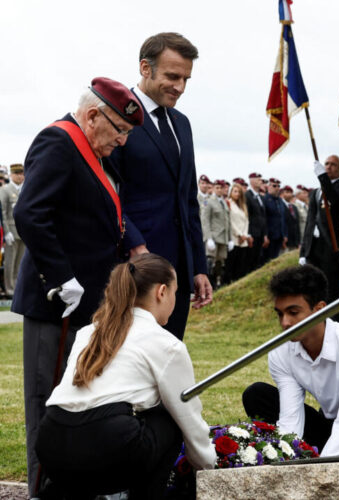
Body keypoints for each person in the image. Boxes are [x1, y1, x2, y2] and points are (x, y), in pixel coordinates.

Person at [11, 76, 143, 496]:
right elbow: (31, 214)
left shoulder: (90, 149)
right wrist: (61, 276)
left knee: (81, 395)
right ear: (92, 116)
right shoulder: (58, 141)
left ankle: (72, 485)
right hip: (58, 302)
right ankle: (42, 489)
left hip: (87, 301)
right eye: (119, 131)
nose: (121, 142)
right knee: (48, 400)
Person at [36, 254, 216, 499]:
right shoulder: (166, 344)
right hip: (107, 448)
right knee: (168, 419)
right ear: (162, 292)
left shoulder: (90, 332)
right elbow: (188, 416)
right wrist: (208, 465)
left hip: (50, 442)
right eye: (176, 291)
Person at [107, 32, 212, 340]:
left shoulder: (182, 123)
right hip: (133, 263)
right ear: (145, 68)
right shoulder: (115, 116)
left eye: (185, 79)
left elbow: (187, 200)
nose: (179, 87)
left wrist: (198, 267)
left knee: (168, 351)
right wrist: (135, 246)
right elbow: (109, 194)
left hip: (177, 268)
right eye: (172, 76)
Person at [243, 265, 339, 457]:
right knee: (257, 394)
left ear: (319, 310)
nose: (285, 323)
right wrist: (286, 456)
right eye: (280, 314)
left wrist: (322, 467)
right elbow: (290, 416)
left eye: (293, 313)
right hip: (328, 422)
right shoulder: (280, 351)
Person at [299, 155, 339, 321]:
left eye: (333, 165)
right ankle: (313, 322)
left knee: (331, 288)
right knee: (310, 288)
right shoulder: (315, 192)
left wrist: (322, 177)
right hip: (313, 246)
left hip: (330, 245)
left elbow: (334, 201)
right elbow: (310, 222)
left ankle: (333, 322)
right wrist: (303, 251)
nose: (328, 167)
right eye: (326, 164)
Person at [0, 163, 25, 297]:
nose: (20, 176)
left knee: (20, 263)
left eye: (21, 173)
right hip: (11, 231)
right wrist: (6, 231)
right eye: (17, 174)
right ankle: (9, 288)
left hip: (23, 232)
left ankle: (18, 287)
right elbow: (2, 211)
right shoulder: (5, 190)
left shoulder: (26, 189)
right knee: (10, 262)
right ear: (11, 175)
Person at [201, 179, 230, 289]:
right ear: (213, 188)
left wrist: (230, 239)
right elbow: (205, 220)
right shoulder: (209, 201)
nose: (219, 190)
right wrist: (208, 238)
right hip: (213, 237)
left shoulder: (224, 202)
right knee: (210, 262)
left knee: (220, 263)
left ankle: (216, 284)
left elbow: (228, 221)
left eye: (221, 188)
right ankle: (207, 285)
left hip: (223, 238)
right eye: (216, 187)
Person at [225, 182, 250, 283]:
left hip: (243, 239)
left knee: (241, 264)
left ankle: (238, 282)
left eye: (239, 192)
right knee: (231, 263)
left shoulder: (243, 205)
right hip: (234, 237)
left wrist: (244, 234)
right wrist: (239, 234)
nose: (237, 194)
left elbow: (246, 221)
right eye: (235, 191)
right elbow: (230, 221)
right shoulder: (228, 203)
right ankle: (227, 283)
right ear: (231, 192)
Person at [245, 172, 268, 273]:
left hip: (260, 233)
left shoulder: (260, 197)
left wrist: (265, 234)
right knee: (250, 259)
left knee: (257, 259)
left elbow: (263, 217)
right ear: (252, 181)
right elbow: (247, 216)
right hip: (252, 233)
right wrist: (249, 233)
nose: (261, 181)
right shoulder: (247, 195)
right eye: (258, 179)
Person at [262, 177, 288, 263]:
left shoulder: (280, 201)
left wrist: (284, 234)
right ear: (268, 187)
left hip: (279, 235)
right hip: (270, 236)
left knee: (276, 259)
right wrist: (265, 235)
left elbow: (283, 218)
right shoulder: (265, 199)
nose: (277, 188)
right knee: (267, 260)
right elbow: (264, 219)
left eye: (278, 186)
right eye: (274, 186)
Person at [281, 185, 301, 251]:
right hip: (285, 240)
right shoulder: (280, 205)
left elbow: (297, 224)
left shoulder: (294, 207)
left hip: (294, 241)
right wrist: (283, 237)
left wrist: (298, 241)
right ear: (282, 193)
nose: (289, 194)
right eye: (286, 192)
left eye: (290, 192)